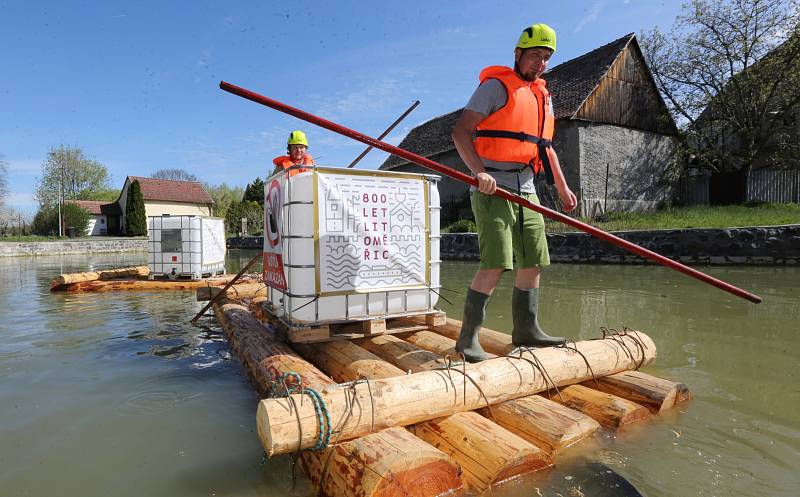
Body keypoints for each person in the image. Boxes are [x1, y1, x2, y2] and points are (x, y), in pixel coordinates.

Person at [451, 23, 578, 362]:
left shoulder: (544, 96)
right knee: (495, 263)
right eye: (536, 55)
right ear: (518, 53)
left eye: (547, 58)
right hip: (493, 186)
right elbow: (461, 133)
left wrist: (563, 188)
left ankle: (526, 331)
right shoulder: (495, 87)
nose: (541, 63)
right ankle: (467, 341)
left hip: (527, 189)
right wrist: (479, 173)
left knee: (534, 260)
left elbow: (545, 147)